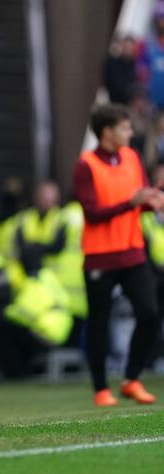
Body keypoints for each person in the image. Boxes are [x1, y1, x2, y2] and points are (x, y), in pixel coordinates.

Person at [73, 103, 162, 406]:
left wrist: (154, 201)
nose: (130, 132)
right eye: (124, 127)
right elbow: (92, 213)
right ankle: (100, 388)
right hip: (100, 256)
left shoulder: (132, 158)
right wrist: (132, 201)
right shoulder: (86, 165)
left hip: (132, 252)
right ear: (107, 132)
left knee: (149, 314)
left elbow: (140, 199)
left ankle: (131, 379)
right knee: (99, 322)